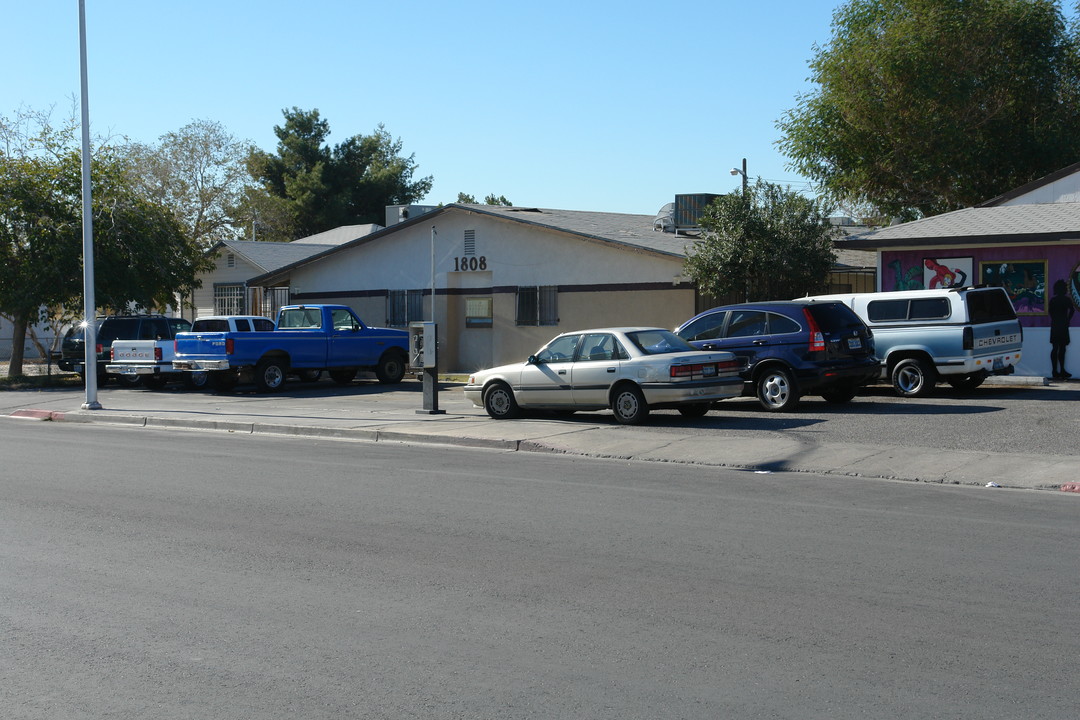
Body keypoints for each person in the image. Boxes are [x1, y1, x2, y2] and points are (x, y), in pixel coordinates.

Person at [1049, 279, 1075, 379]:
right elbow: (1072, 310)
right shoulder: (1066, 300)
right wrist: (1067, 320)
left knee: (1055, 348)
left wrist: (1056, 319)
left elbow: (1051, 312)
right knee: (1062, 349)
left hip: (1055, 325)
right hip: (1063, 325)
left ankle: (1055, 371)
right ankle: (1061, 370)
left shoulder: (1053, 300)